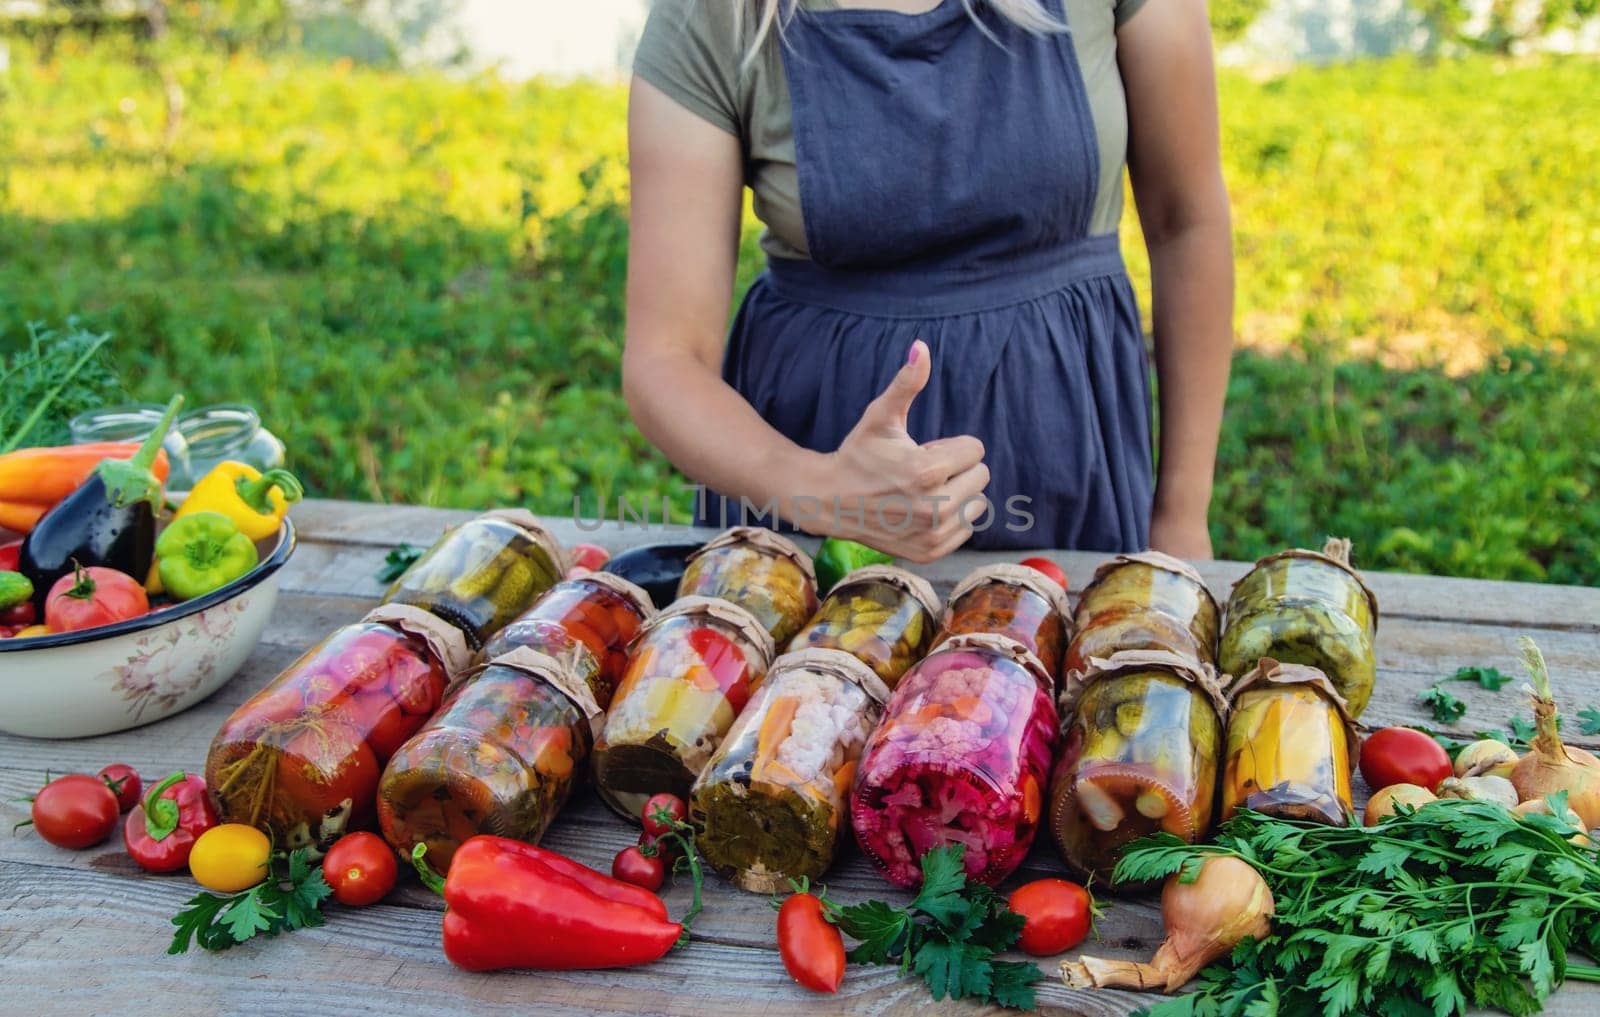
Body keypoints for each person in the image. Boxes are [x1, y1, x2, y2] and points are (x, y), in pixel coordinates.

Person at [622, 0, 1232, 562]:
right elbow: (666, 357)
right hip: (811, 496)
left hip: (1067, 456)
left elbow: (1187, 223)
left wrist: (1180, 516)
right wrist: (816, 487)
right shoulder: (712, 15)